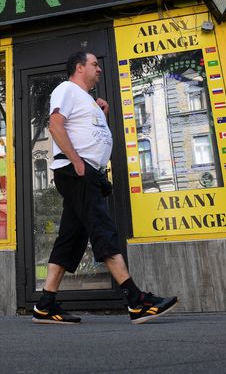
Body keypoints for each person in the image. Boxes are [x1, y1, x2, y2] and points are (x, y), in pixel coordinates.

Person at [32, 52, 177, 324]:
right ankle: (136, 300)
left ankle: (45, 304)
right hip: (77, 170)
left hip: (87, 171)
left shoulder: (87, 100)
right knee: (102, 227)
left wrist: (101, 114)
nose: (99, 70)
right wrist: (77, 162)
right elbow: (54, 124)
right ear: (79, 67)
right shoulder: (66, 89)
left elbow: (89, 134)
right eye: (94, 65)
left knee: (70, 238)